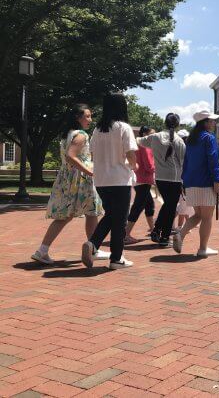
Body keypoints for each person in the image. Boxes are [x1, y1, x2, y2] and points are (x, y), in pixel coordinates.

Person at [31, 104, 107, 265]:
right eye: (87, 116)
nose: (90, 119)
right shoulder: (81, 135)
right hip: (80, 179)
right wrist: (89, 171)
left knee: (67, 215)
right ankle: (93, 249)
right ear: (77, 118)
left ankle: (42, 250)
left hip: (67, 179)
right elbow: (71, 156)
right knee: (91, 211)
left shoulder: (68, 135)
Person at [82, 92, 138, 270]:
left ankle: (94, 245)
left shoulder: (97, 130)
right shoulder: (123, 127)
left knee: (112, 215)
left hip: (101, 180)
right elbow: (130, 153)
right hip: (120, 179)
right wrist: (134, 165)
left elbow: (92, 154)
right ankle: (115, 258)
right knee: (119, 220)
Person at [172, 110, 219, 257]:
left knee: (198, 215)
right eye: (212, 120)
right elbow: (213, 160)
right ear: (205, 122)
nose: (214, 123)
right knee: (206, 217)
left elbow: (186, 163)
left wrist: (185, 181)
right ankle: (202, 249)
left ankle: (180, 234)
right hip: (206, 182)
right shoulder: (209, 138)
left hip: (191, 182)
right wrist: (217, 180)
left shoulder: (191, 140)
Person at [138, 113, 185, 247]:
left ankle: (157, 230)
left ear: (165, 122)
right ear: (177, 124)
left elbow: (138, 141)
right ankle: (163, 236)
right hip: (175, 178)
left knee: (168, 205)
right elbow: (184, 161)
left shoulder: (155, 137)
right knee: (170, 207)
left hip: (159, 177)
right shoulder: (178, 140)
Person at [124, 126, 156, 244]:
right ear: (145, 134)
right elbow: (149, 165)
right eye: (152, 134)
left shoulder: (136, 144)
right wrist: (156, 168)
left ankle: (153, 229)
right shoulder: (146, 146)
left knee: (149, 204)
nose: (154, 137)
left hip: (137, 178)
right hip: (144, 179)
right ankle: (126, 234)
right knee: (138, 206)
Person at [175, 129, 194, 230]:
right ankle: (179, 226)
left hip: (179, 179)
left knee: (185, 205)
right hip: (184, 180)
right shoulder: (184, 149)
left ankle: (186, 223)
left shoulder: (178, 148)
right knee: (183, 205)